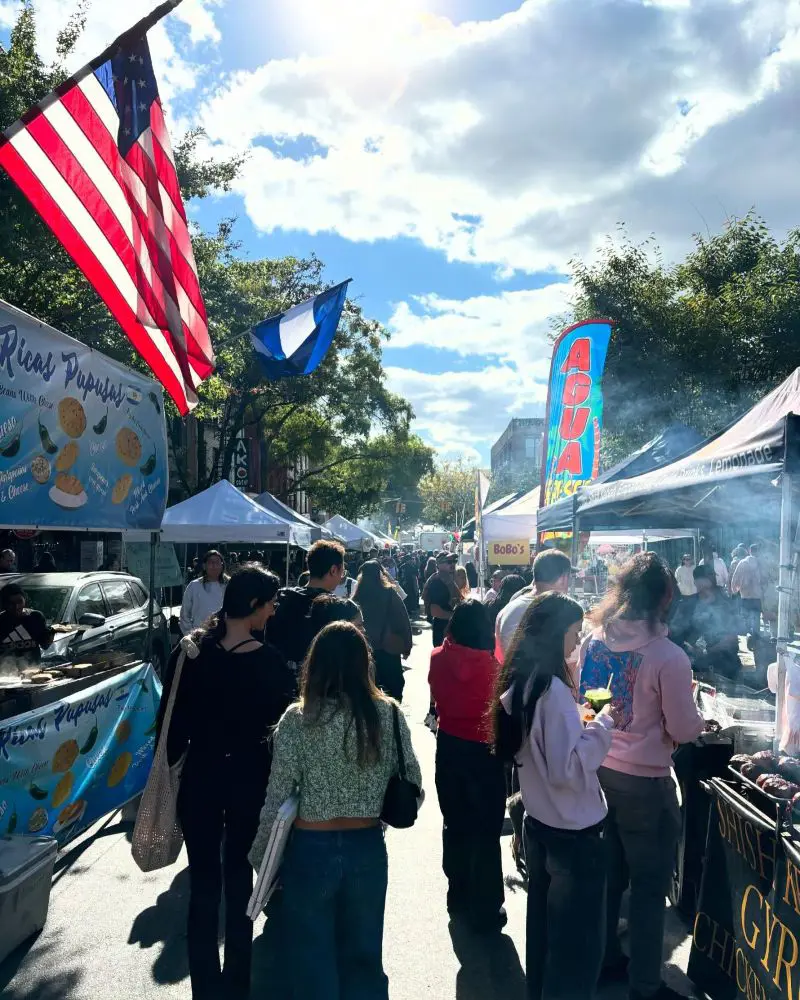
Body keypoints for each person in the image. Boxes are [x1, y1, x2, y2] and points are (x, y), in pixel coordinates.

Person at [249, 621, 423, 1000]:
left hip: (310, 848)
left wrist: (262, 860)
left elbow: (277, 797)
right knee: (364, 958)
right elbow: (414, 785)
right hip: (367, 846)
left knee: (312, 961)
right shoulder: (387, 714)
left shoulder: (297, 719)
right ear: (366, 663)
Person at [155, 566, 295, 1000]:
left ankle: (206, 988)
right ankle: (236, 983)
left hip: (200, 778)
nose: (273, 611)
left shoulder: (191, 653)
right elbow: (284, 736)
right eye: (270, 603)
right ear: (254, 605)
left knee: (203, 884)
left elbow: (169, 728)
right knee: (239, 881)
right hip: (250, 783)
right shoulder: (272, 663)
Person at [580, 552, 704, 1000]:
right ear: (665, 598)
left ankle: (604, 961)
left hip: (597, 772)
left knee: (609, 878)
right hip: (645, 786)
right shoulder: (668, 656)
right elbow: (685, 728)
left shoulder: (594, 639)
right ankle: (645, 986)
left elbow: (585, 704)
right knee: (650, 889)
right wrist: (696, 721)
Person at [493, 592, 615, 1000]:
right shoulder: (554, 692)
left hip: (541, 824)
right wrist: (601, 727)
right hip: (573, 833)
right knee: (576, 950)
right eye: (574, 632)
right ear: (556, 633)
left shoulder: (523, 679)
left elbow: (546, 753)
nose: (577, 641)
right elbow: (567, 770)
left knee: (546, 937)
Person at [429, 600, 506, 931]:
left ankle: (457, 894)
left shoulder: (436, 657)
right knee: (486, 831)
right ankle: (488, 905)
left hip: (448, 745)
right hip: (484, 750)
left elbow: (435, 698)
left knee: (455, 823)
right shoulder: (494, 668)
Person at [267, 540, 353, 668]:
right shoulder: (339, 608)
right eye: (342, 572)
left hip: (278, 675)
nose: (342, 576)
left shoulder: (280, 598)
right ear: (333, 570)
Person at [495, 549, 572, 661]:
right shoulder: (561, 612)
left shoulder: (508, 608)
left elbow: (499, 656)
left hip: (511, 677)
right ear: (563, 579)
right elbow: (570, 664)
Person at [355, 560, 413, 701]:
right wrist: (407, 645)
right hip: (388, 648)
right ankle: (393, 718)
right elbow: (403, 619)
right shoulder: (389, 593)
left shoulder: (357, 596)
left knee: (368, 690)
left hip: (365, 649)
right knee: (394, 689)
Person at [686, 564, 741, 678]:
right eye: (709, 577)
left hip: (725, 664)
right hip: (694, 666)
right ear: (697, 582)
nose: (714, 580)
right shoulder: (689, 604)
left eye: (713, 576)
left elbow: (731, 639)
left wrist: (708, 651)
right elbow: (681, 634)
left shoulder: (725, 603)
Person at [0, 583, 53, 667]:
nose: (16, 606)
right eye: (11, 603)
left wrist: (51, 632)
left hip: (33, 670)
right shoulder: (1, 621)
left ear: (25, 599)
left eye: (20, 602)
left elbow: (45, 645)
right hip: (6, 672)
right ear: (4, 604)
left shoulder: (35, 617)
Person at [180, 550, 229, 635]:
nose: (214, 565)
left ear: (222, 566)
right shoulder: (194, 586)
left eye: (217, 562)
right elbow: (185, 614)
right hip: (199, 634)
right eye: (211, 562)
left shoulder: (229, 585)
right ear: (204, 566)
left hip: (225, 634)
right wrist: (190, 634)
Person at [422, 552, 461, 648]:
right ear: (439, 565)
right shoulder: (437, 582)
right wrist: (456, 616)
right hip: (443, 627)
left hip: (448, 627)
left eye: (454, 561)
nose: (452, 564)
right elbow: (435, 611)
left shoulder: (448, 578)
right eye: (449, 562)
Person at [730, 543, 763, 640]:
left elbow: (735, 578)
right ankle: (756, 636)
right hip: (757, 595)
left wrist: (734, 589)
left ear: (750, 551)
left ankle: (749, 634)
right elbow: (765, 578)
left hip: (745, 594)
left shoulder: (742, 563)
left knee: (746, 615)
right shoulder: (760, 563)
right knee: (756, 616)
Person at [398, 555, 421, 619]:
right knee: (410, 597)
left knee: (404, 597)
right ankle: (409, 610)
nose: (412, 560)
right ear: (408, 560)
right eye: (410, 559)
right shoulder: (411, 567)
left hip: (403, 584)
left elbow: (399, 576)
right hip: (410, 584)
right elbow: (416, 575)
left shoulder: (401, 566)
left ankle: (406, 610)